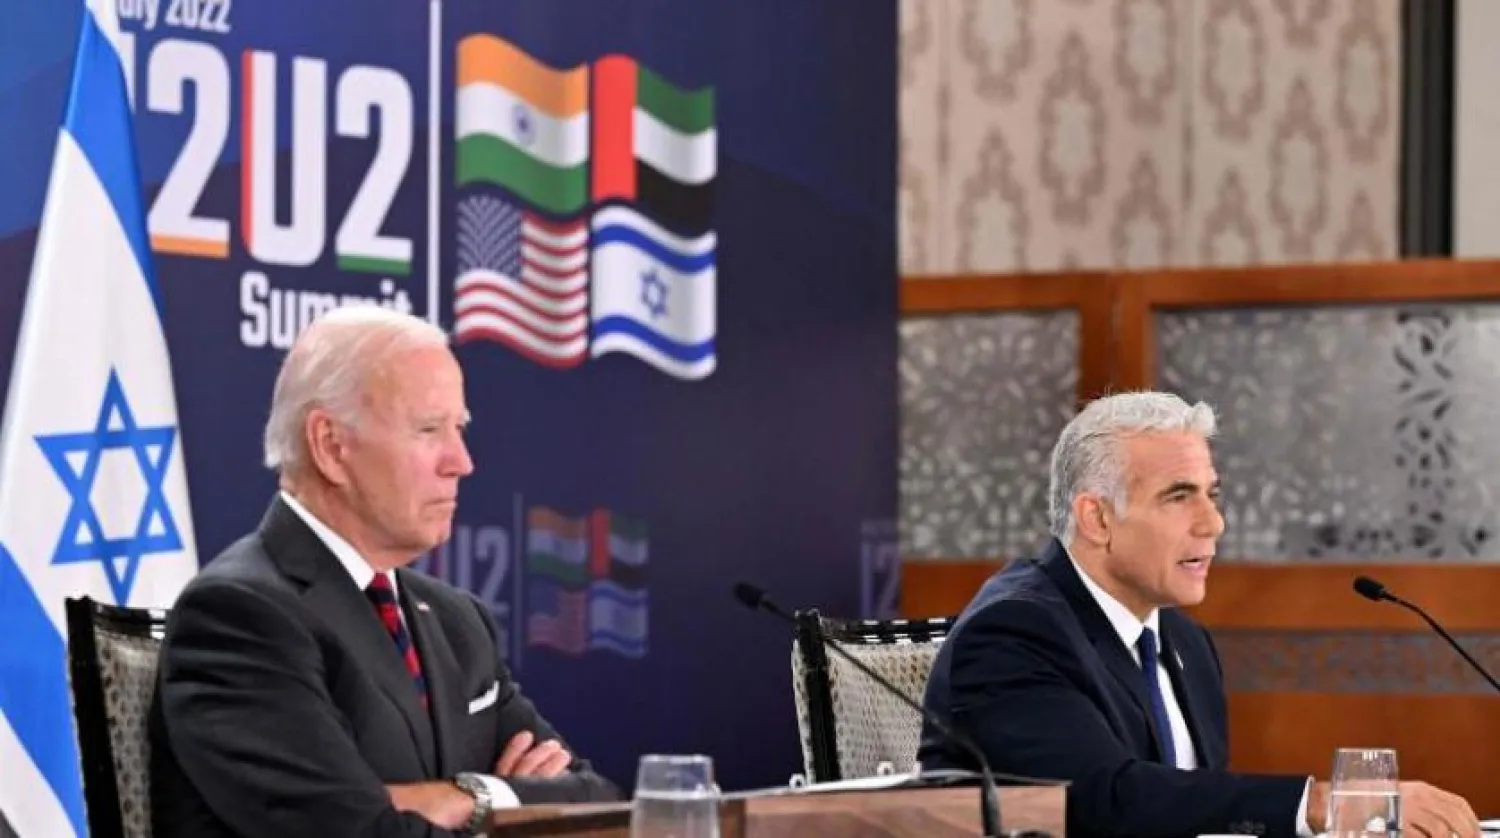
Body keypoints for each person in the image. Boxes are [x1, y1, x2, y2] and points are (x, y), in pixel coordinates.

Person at [918, 391, 1478, 838]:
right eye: (1179, 496)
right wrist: (1321, 805)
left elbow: (1192, 815)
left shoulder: (1184, 642)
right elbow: (1103, 803)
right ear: (1096, 518)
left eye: (1212, 494)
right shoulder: (1013, 633)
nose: (1213, 523)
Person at [150, 307, 620, 838]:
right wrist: (507, 813)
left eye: (459, 429)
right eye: (428, 429)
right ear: (331, 446)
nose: (461, 461)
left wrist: (468, 796)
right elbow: (355, 834)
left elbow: (593, 802)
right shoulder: (242, 616)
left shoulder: (456, 621)